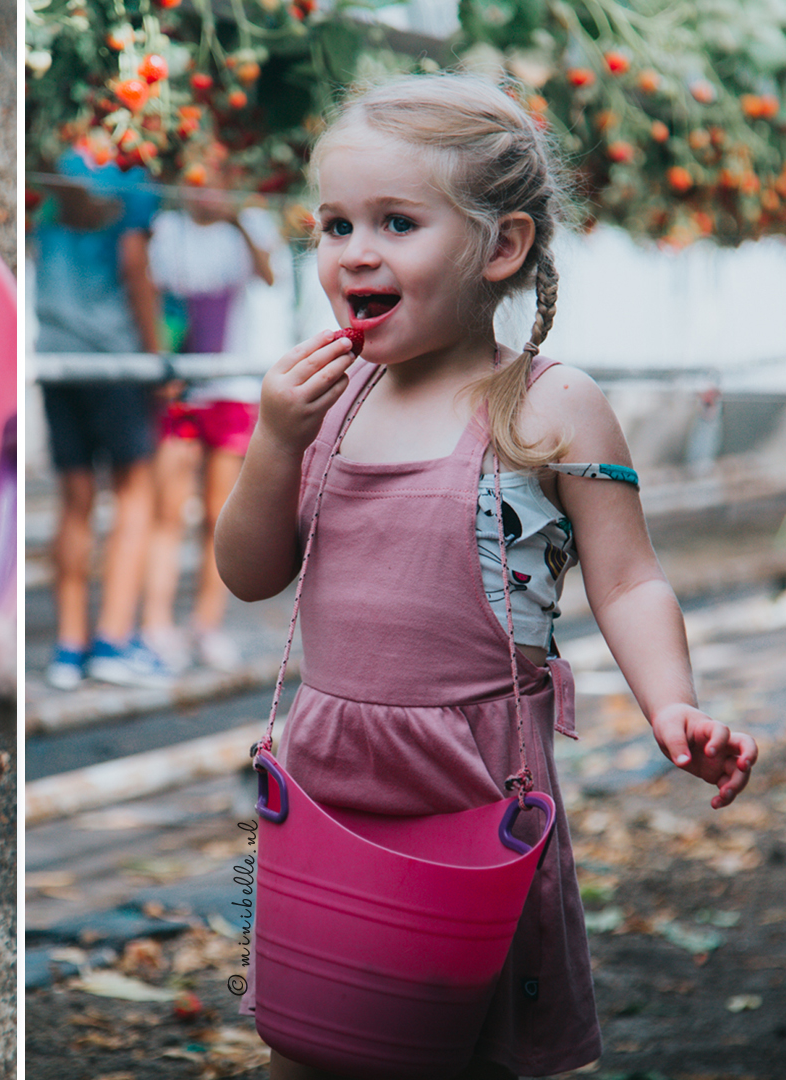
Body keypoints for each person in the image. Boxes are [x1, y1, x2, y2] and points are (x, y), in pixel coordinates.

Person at [214, 73, 759, 1079]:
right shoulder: (330, 404)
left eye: (395, 221)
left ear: (500, 247)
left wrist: (673, 706)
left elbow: (629, 579)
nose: (353, 251)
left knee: (468, 1045)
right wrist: (272, 442)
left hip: (475, 780)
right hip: (328, 772)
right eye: (333, 225)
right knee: (313, 1037)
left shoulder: (550, 406)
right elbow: (251, 576)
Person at [34, 147, 174, 689]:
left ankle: (70, 648)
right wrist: (158, 359)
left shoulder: (51, 164)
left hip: (57, 360)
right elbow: (135, 267)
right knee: (134, 496)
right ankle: (113, 640)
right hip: (115, 360)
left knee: (75, 501)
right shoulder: (131, 178)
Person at [141, 157, 280, 672]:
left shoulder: (249, 229)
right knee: (168, 510)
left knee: (221, 516)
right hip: (180, 390)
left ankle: (206, 623)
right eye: (201, 175)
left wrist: (239, 218)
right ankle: (156, 623)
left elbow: (268, 276)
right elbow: (152, 298)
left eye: (221, 174)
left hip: (231, 389)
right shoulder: (166, 230)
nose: (209, 186)